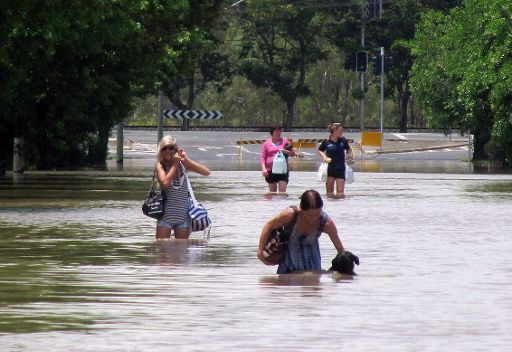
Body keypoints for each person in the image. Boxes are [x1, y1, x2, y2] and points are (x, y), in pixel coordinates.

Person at [257, 189, 347, 274]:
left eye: (317, 214)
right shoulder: (290, 215)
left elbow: (340, 250)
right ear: (302, 209)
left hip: (313, 262)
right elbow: (268, 226)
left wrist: (345, 265)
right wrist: (260, 251)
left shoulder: (326, 223)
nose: (314, 218)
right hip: (288, 260)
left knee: (312, 287)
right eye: (310, 215)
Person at [155, 135, 210, 240]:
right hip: (165, 216)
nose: (168, 151)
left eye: (171, 148)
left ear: (175, 150)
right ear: (161, 151)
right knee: (161, 251)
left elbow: (206, 172)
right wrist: (175, 164)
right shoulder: (160, 166)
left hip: (183, 216)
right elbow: (165, 182)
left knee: (182, 251)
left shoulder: (183, 164)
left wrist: (186, 160)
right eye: (164, 148)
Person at [318, 122, 353, 198]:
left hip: (341, 168)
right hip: (330, 169)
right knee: (329, 194)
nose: (342, 132)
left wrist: (349, 156)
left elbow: (348, 148)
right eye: (340, 131)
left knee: (340, 194)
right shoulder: (327, 141)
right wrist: (324, 157)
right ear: (334, 131)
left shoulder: (342, 140)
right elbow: (320, 150)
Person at [260, 125, 296, 193]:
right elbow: (263, 157)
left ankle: (282, 203)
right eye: (276, 132)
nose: (278, 133)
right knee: (272, 193)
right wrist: (264, 169)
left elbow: (293, 154)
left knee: (282, 193)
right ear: (272, 133)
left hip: (283, 170)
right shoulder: (266, 143)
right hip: (270, 170)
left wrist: (285, 151)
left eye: (279, 131)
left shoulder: (285, 141)